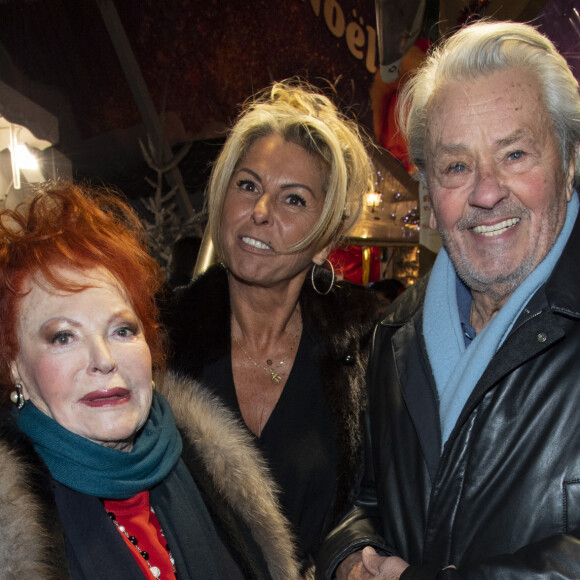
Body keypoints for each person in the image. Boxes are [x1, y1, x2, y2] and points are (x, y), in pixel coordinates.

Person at [316, 20, 580, 579]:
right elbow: (366, 500)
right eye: (457, 166)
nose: (486, 192)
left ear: (569, 160)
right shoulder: (395, 333)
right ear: (431, 197)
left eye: (514, 155)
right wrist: (346, 560)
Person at [0, 181, 300, 580]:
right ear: (15, 366)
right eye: (63, 337)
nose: (103, 361)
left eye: (122, 330)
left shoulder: (210, 464)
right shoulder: (14, 522)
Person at [163, 80, 381, 576]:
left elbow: (378, 502)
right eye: (248, 186)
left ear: (325, 240)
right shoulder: (156, 339)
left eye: (293, 200)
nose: (260, 212)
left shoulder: (368, 352)